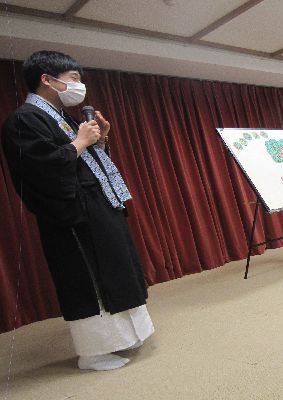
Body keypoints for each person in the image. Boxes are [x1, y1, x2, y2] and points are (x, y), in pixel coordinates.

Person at [1, 51, 153, 371]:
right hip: (72, 214)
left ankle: (127, 336)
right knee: (89, 276)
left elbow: (85, 163)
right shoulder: (24, 119)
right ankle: (94, 353)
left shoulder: (64, 117)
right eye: (73, 78)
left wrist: (100, 140)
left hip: (98, 205)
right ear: (46, 79)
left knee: (117, 266)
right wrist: (80, 143)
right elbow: (39, 169)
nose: (79, 85)